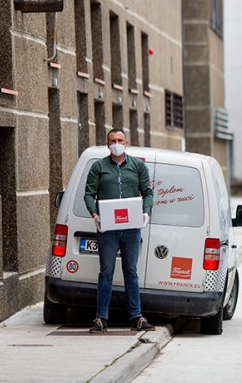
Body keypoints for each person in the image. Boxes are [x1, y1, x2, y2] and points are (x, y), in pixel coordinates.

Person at [84, 128, 155, 333]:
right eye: (113, 140)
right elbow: (89, 194)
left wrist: (146, 213)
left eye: (120, 140)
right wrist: (94, 214)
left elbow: (147, 193)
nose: (116, 143)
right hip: (107, 228)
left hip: (132, 228)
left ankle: (136, 317)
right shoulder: (99, 167)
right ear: (108, 145)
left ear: (126, 143)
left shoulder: (138, 166)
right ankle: (101, 318)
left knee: (131, 272)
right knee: (106, 272)